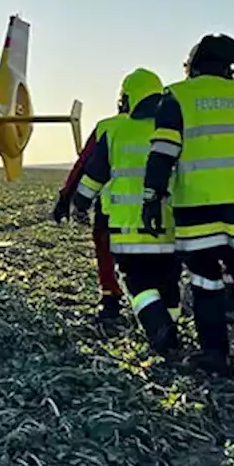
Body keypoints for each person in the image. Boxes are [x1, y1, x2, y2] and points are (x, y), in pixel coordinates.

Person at [141, 33, 234, 400]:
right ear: (229, 69)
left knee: (206, 286)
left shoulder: (177, 97)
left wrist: (150, 199)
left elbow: (162, 153)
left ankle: (215, 355)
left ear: (192, 67)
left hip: (200, 211)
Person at [71, 68, 181, 350]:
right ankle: (171, 326)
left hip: (128, 233)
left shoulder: (117, 131)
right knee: (169, 285)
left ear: (127, 99)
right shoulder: (173, 130)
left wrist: (79, 204)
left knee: (139, 285)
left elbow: (94, 175)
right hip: (169, 230)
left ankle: (158, 328)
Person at [53, 95, 125, 322]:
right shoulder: (163, 123)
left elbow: (84, 164)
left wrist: (67, 198)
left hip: (112, 208)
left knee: (105, 251)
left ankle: (110, 300)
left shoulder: (108, 127)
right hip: (158, 208)